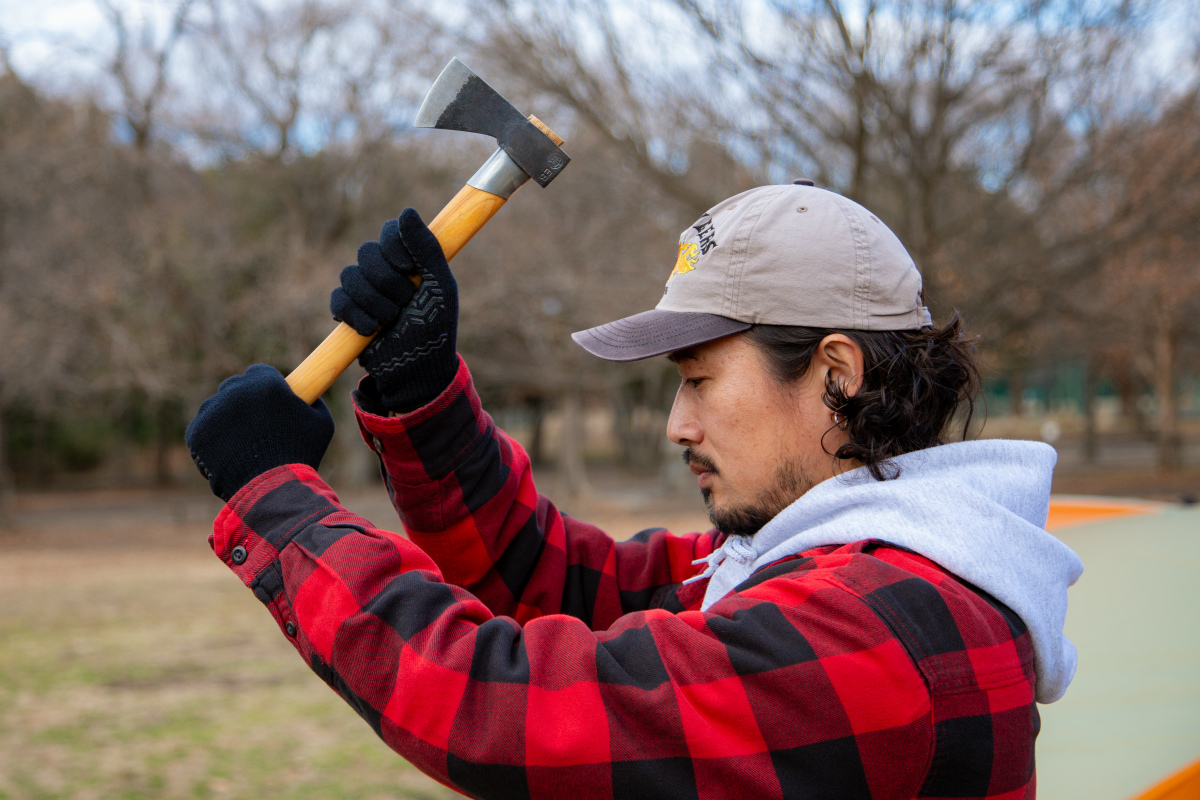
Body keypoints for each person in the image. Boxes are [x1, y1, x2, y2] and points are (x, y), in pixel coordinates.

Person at [185, 182, 1083, 799]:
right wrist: (422, 397)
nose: (677, 424)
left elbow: (509, 711)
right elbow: (563, 581)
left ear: (837, 374)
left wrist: (280, 502)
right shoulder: (831, 565)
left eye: (698, 378)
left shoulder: (875, 629)